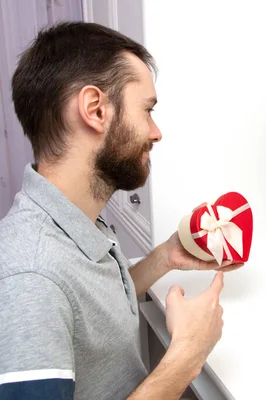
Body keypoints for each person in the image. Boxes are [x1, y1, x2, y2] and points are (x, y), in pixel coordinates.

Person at [0, 21, 242, 399]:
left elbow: (89, 314)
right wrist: (187, 355)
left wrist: (164, 257)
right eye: (146, 111)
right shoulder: (30, 277)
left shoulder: (69, 219)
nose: (155, 131)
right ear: (96, 109)